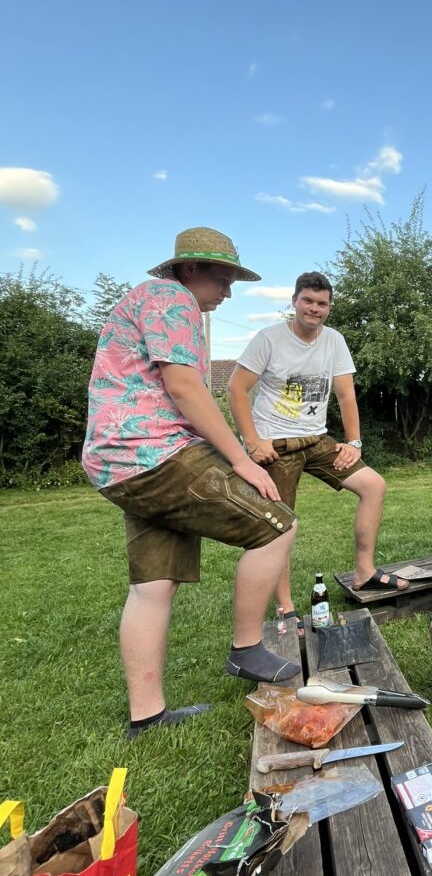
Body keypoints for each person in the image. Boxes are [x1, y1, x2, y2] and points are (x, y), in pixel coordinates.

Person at [82, 228, 302, 739]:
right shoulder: (170, 297)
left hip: (119, 462)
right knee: (277, 526)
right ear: (190, 269)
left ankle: (147, 716)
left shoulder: (155, 302)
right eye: (222, 279)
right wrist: (241, 460)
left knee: (153, 584)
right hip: (154, 451)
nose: (227, 291)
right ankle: (246, 647)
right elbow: (183, 387)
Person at [228, 271, 408, 616]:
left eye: (321, 303)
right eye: (308, 301)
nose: (314, 308)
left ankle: (364, 572)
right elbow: (237, 389)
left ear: (329, 307)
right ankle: (285, 606)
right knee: (280, 524)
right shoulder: (269, 339)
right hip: (275, 444)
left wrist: (353, 442)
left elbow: (345, 394)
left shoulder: (334, 341)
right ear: (294, 301)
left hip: (316, 439)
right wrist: (252, 442)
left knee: (373, 485)